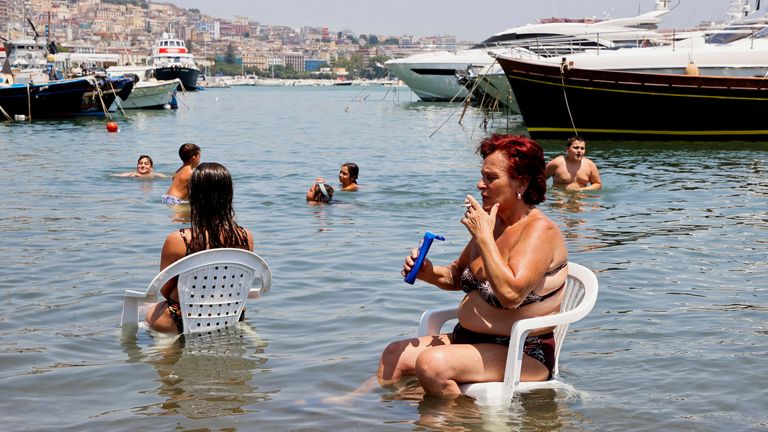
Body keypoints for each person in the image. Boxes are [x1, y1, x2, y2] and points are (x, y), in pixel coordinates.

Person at [378, 134, 569, 398]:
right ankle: (385, 416)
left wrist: (484, 237)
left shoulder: (540, 231)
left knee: (431, 364)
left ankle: (460, 422)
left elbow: (511, 295)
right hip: (468, 338)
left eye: (491, 178)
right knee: (393, 356)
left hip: (521, 352)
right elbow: (458, 276)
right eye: (482, 176)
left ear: (521, 183)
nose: (481, 185)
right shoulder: (494, 223)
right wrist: (428, 272)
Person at [145, 162, 254, 333]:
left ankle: (168, 354)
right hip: (229, 316)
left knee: (150, 311)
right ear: (229, 195)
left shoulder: (178, 239)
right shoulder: (245, 236)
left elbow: (165, 291)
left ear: (193, 195)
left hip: (181, 320)